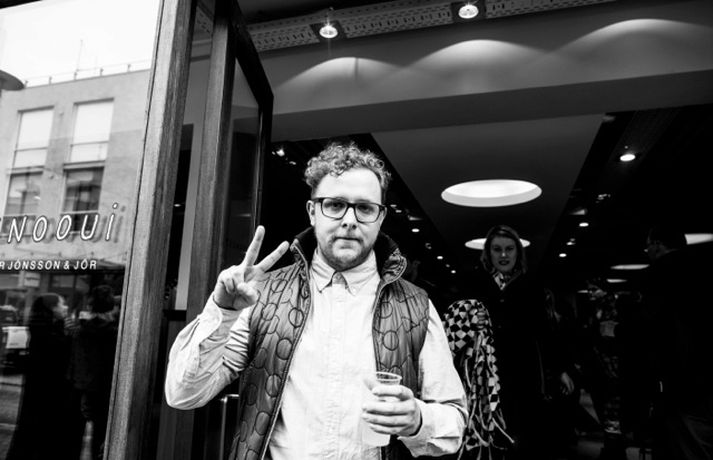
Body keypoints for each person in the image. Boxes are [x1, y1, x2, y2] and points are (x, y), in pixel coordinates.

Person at [165, 142, 467, 459]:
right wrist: (222, 311)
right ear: (312, 212)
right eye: (335, 205)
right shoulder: (262, 296)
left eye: (365, 208)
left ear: (380, 218)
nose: (349, 220)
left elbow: (454, 423)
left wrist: (418, 420)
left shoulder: (416, 306)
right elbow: (184, 393)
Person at [444, 225, 574, 460]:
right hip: (485, 371)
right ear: (488, 253)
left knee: (522, 429)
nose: (503, 255)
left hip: (523, 368)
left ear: (518, 252)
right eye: (497, 249)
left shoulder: (531, 284)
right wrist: (470, 319)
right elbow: (452, 319)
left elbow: (545, 330)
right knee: (486, 428)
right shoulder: (473, 282)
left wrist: (560, 369)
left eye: (509, 249)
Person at [642, 224, 713, 460]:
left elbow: (655, 328)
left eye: (648, 245)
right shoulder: (703, 266)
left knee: (684, 444)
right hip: (704, 372)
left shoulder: (659, 273)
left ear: (657, 245)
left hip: (682, 376)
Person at [7, 293, 84, 460]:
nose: (65, 307)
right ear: (52, 308)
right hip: (48, 396)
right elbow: (61, 358)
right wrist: (71, 335)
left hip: (42, 395)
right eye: (61, 304)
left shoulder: (44, 329)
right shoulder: (47, 334)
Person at [66, 285, 120, 460]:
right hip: (105, 389)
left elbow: (75, 363)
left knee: (74, 435)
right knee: (101, 436)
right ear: (112, 308)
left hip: (81, 387)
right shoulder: (114, 333)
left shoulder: (80, 330)